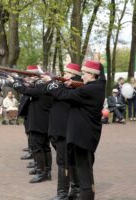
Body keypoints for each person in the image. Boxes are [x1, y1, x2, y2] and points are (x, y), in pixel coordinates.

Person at [43, 60, 106, 199]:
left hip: (82, 137)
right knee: (83, 172)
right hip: (82, 136)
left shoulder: (89, 89)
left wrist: (50, 82)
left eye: (84, 74)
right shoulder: (94, 87)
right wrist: (69, 84)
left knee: (85, 177)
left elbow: (63, 95)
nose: (82, 76)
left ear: (92, 75)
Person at [8, 65, 53, 184]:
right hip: (43, 121)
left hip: (39, 122)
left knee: (38, 148)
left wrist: (14, 82)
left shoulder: (40, 86)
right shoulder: (43, 85)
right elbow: (27, 87)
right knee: (45, 147)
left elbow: (25, 90)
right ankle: (46, 171)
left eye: (29, 76)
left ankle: (41, 172)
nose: (27, 78)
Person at [47, 63, 82, 200]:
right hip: (59, 130)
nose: (64, 75)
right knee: (68, 161)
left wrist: (50, 81)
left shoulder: (75, 89)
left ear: (73, 76)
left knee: (63, 162)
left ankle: (63, 193)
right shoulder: (64, 86)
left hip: (65, 130)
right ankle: (75, 188)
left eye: (67, 73)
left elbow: (59, 93)